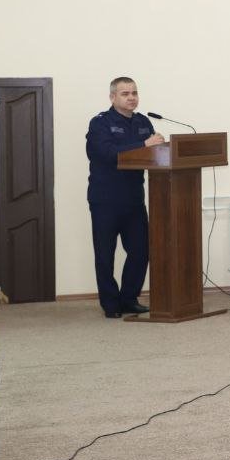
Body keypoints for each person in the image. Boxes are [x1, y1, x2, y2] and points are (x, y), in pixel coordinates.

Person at [87, 76, 163, 318]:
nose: (131, 98)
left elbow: (152, 155)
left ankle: (129, 299)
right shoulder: (100, 123)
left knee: (141, 251)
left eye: (134, 93)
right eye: (125, 93)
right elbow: (107, 153)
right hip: (105, 199)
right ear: (113, 97)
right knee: (105, 255)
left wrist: (159, 148)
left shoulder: (143, 122)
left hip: (134, 200)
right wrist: (144, 144)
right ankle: (110, 304)